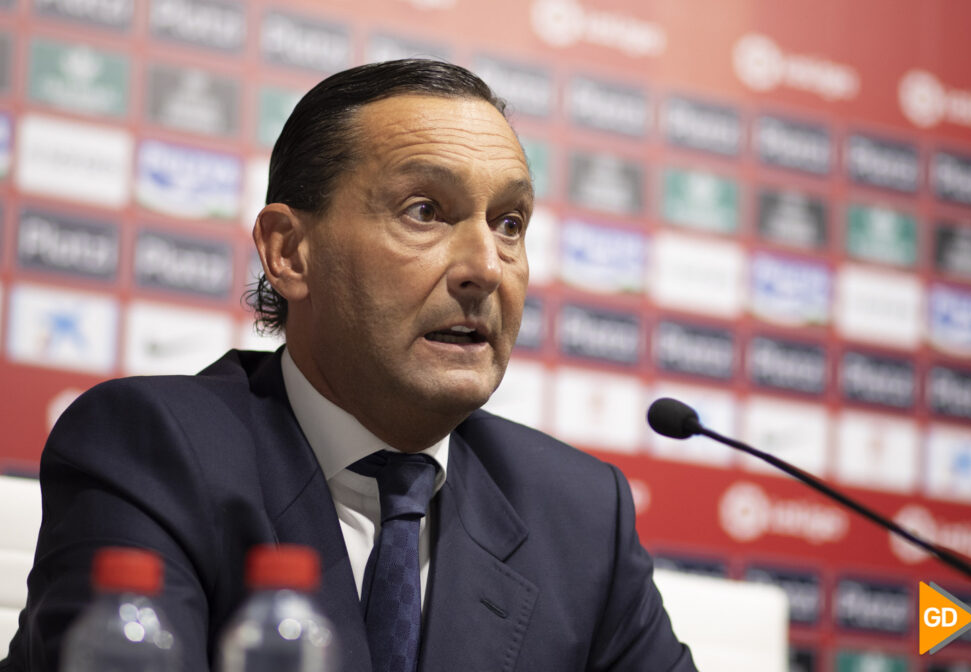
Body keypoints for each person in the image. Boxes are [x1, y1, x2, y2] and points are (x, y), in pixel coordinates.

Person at [1, 59, 697, 672]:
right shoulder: (152, 448)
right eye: (425, 211)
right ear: (290, 251)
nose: (486, 268)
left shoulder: (577, 514)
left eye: (509, 223)